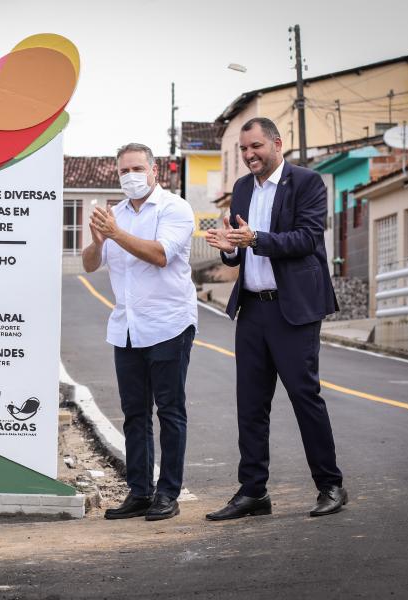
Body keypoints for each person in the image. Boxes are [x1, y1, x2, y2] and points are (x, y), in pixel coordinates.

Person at [204, 117, 346, 520]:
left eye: (255, 147)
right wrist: (229, 248)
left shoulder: (306, 182)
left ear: (277, 144)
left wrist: (255, 240)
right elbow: (240, 245)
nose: (249, 155)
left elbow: (306, 238)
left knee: (305, 397)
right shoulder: (243, 189)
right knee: (250, 404)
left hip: (293, 309)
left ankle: (330, 485)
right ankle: (253, 493)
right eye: (243, 150)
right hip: (252, 308)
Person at [82, 143, 197, 521]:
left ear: (154, 171)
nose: (129, 176)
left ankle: (168, 493)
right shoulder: (113, 215)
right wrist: (98, 240)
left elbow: (161, 255)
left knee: (170, 410)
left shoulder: (174, 209)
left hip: (168, 323)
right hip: (127, 327)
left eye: (136, 168)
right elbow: (90, 264)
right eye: (123, 171)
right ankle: (140, 492)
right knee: (134, 413)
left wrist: (114, 233)